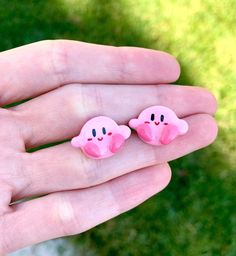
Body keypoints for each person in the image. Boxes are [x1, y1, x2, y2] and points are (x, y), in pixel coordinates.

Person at [0, 40, 217, 254]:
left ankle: (151, 133)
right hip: (107, 136)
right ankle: (119, 139)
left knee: (142, 133)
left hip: (123, 132)